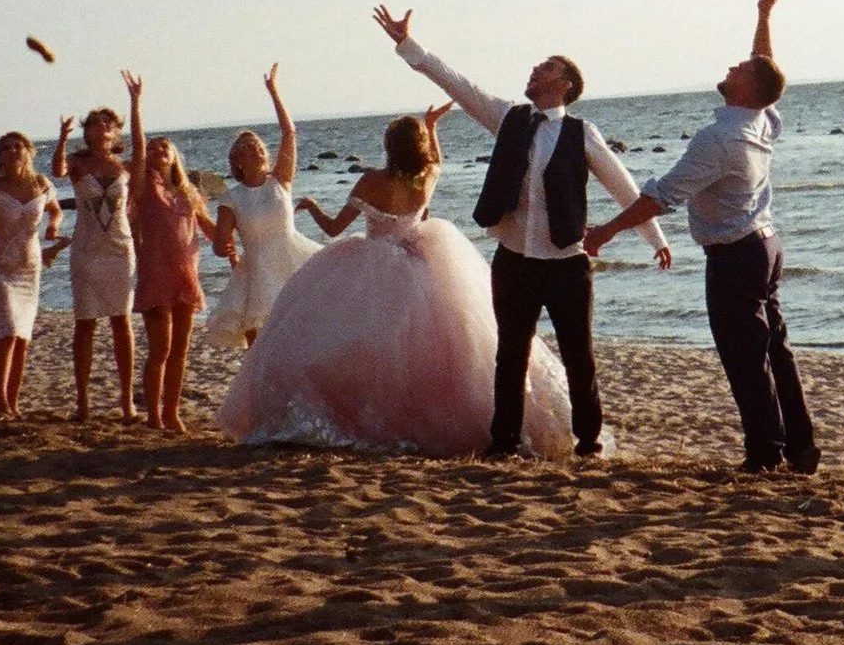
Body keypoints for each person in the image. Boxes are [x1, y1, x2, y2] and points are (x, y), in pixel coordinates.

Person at [374, 2, 672, 460]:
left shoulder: (581, 132)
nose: (534, 71)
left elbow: (622, 185)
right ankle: (505, 441)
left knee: (579, 357)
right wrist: (407, 45)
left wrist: (655, 239)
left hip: (567, 263)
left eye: (545, 68)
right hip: (513, 259)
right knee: (510, 355)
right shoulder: (509, 117)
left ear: (565, 85)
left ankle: (588, 442)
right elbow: (457, 83)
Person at [220, 103, 578, 455]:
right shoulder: (427, 177)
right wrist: (432, 128)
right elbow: (437, 162)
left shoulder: (371, 180)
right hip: (419, 261)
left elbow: (333, 229)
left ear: (389, 147)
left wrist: (312, 206)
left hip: (371, 265)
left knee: (361, 343)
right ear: (418, 148)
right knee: (435, 346)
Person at [586, 0, 819, 474]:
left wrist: (605, 231)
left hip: (737, 256)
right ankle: (800, 447)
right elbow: (765, 69)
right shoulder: (760, 118)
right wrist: (763, 16)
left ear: (747, 87)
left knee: (746, 358)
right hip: (765, 247)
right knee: (775, 349)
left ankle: (765, 454)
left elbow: (661, 196)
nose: (731, 66)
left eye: (738, 68)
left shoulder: (721, 137)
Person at [200, 64, 325, 351]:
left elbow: (289, 134)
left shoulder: (280, 181)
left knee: (303, 340)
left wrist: (274, 92)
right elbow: (220, 245)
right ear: (237, 161)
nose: (254, 148)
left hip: (293, 259)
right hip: (257, 272)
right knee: (261, 348)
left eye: (256, 144)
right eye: (246, 147)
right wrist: (223, 247)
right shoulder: (231, 198)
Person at [124, 73, 210, 433]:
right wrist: (136, 103)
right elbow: (139, 148)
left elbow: (210, 228)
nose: (159, 151)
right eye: (155, 148)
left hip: (186, 272)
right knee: (160, 348)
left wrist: (236, 243)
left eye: (166, 147)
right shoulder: (144, 185)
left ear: (176, 156)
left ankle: (172, 411)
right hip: (156, 273)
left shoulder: (188, 191)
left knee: (180, 351)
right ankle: (154, 415)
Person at [55, 98, 138, 421]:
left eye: (108, 122)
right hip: (87, 251)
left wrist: (135, 101)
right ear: (86, 132)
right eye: (95, 122)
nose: (102, 126)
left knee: (122, 323)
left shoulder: (126, 167)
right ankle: (82, 402)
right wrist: (62, 137)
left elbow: (143, 156)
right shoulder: (78, 163)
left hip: (120, 249)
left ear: (116, 131)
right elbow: (58, 170)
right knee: (85, 324)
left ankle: (127, 401)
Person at [0, 126, 66, 421]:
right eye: (6, 147)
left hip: (29, 268)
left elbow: (56, 210)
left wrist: (54, 226)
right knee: (7, 333)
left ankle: (13, 403)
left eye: (18, 146)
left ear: (28, 152)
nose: (12, 151)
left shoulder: (41, 183)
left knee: (22, 338)